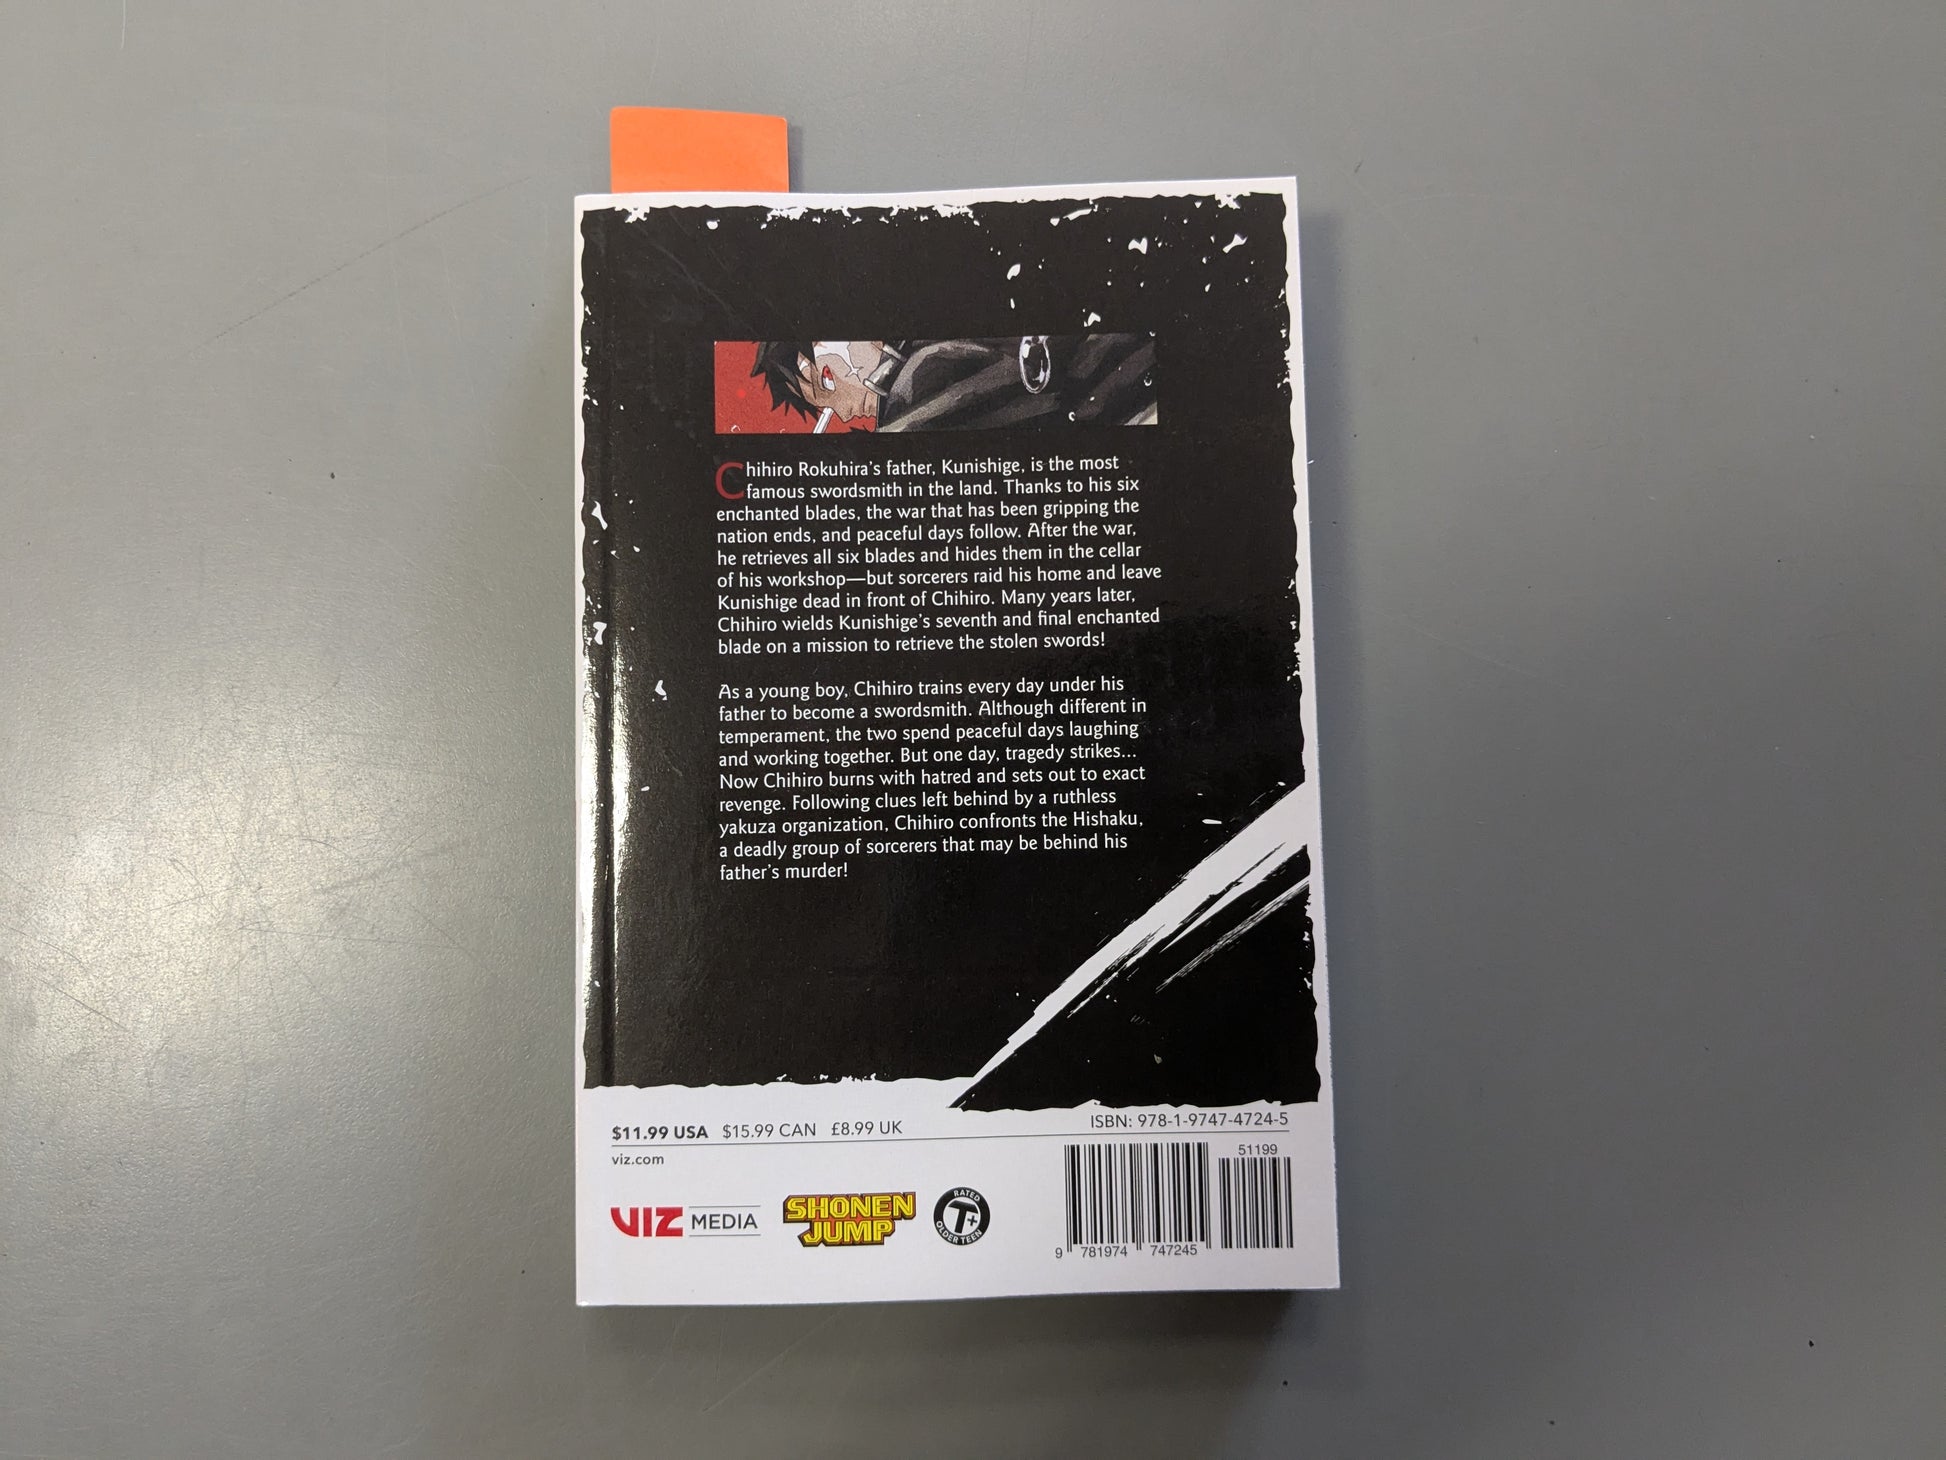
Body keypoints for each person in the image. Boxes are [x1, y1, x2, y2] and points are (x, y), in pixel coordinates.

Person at [750, 336, 1156, 432]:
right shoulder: (907, 389)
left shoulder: (917, 375)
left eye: (826, 382)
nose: (839, 412)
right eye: (823, 405)